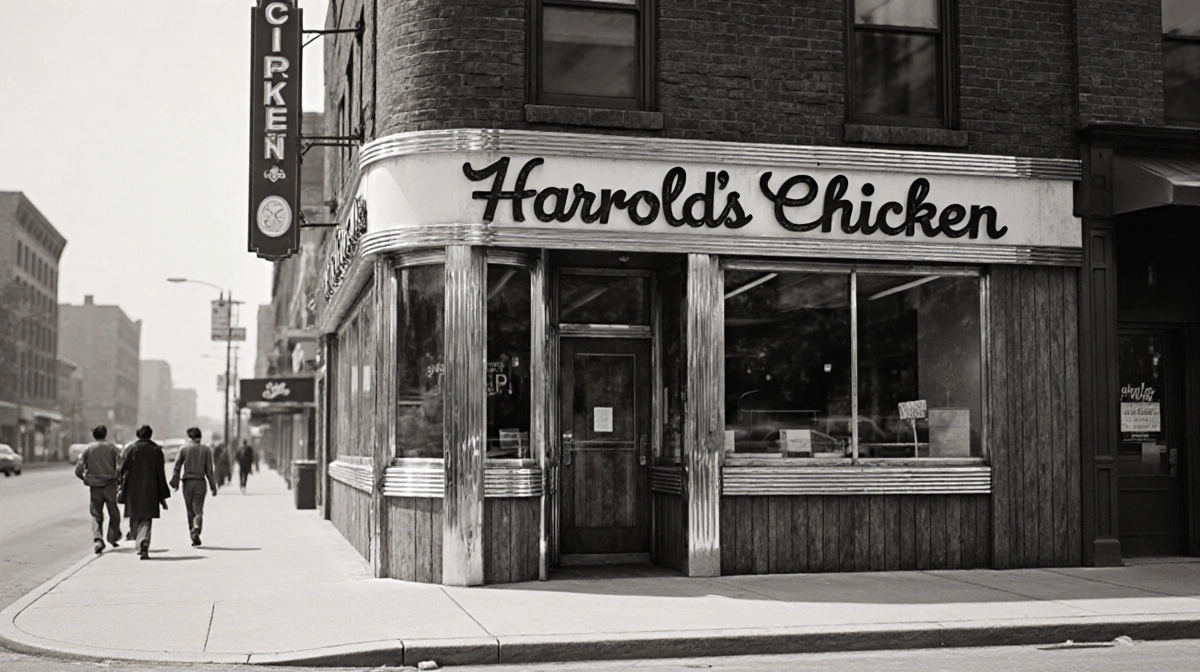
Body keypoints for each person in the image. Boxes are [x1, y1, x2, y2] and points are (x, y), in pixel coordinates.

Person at [118, 425, 171, 560]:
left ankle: (139, 540)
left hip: (133, 490)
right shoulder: (156, 450)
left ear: (138, 435)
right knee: (147, 519)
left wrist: (119, 485)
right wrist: (162, 496)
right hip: (151, 490)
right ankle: (144, 541)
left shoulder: (131, 449)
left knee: (134, 517)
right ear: (150, 435)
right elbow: (160, 474)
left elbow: (123, 469)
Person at [74, 425, 123, 554]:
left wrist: (85, 478)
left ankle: (98, 540)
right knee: (114, 513)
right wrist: (119, 480)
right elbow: (120, 466)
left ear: (93, 435)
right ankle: (113, 537)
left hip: (95, 486)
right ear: (105, 434)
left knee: (96, 515)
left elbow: (79, 468)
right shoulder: (112, 448)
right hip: (110, 485)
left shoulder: (88, 449)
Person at [170, 427, 217, 546]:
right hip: (200, 482)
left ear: (190, 437)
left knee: (189, 510)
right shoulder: (206, 450)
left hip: (187, 483)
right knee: (198, 509)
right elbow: (209, 471)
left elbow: (177, 467)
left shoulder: (184, 449)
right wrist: (213, 486)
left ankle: (192, 531)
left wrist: (175, 482)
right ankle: (196, 528)